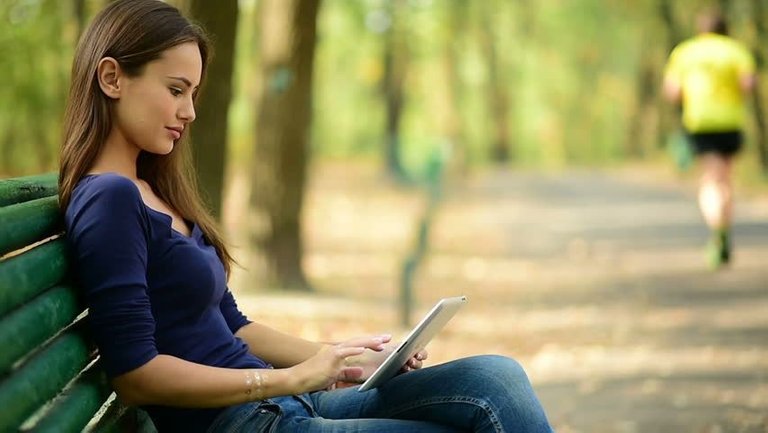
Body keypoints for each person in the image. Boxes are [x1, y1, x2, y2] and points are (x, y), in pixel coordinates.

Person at [58, 1, 554, 432]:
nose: (189, 111)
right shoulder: (109, 200)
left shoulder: (151, 190)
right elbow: (136, 373)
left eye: (193, 94)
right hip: (251, 421)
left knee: (496, 378)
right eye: (175, 89)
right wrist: (289, 378)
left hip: (286, 405)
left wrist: (339, 357)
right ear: (111, 77)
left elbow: (232, 326)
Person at [662, 9, 756, 269]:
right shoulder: (736, 51)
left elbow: (672, 91)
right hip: (730, 122)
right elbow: (748, 85)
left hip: (700, 121)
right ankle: (724, 223)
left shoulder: (685, 52)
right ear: (725, 28)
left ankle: (718, 228)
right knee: (725, 176)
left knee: (710, 179)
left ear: (701, 30)